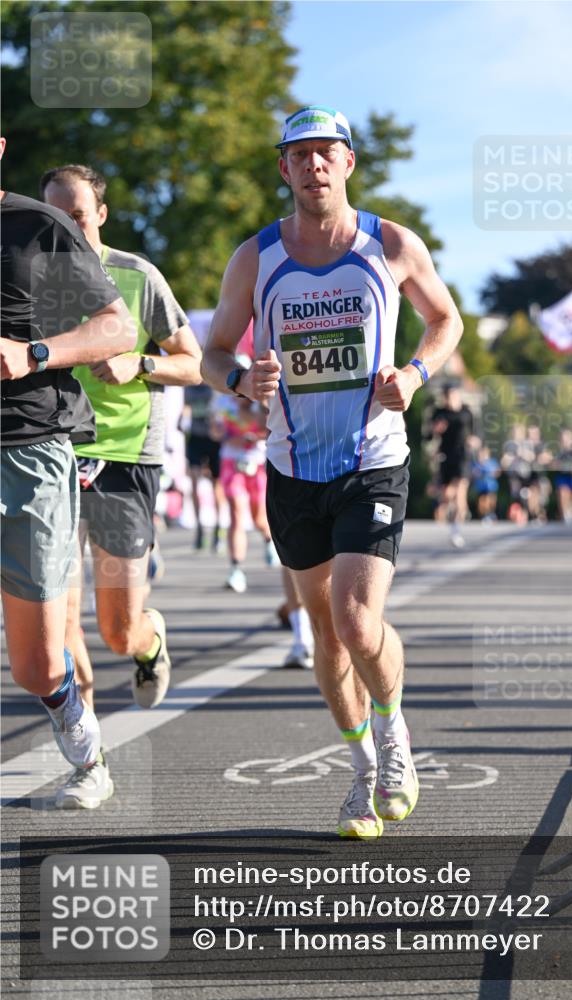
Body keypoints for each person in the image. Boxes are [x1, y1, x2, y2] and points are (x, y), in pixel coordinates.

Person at [202, 106, 463, 838]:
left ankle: (393, 738)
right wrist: (237, 383)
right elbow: (215, 350)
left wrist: (414, 374)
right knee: (324, 632)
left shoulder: (392, 244)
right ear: (283, 168)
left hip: (372, 459)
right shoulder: (255, 258)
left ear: (348, 163)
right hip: (290, 467)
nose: (315, 164)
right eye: (300, 154)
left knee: (356, 618)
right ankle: (356, 775)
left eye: (328, 152)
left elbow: (446, 320)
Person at [41, 164, 201, 809]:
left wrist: (141, 362)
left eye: (77, 215)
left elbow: (195, 364)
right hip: (49, 454)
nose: (66, 227)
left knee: (116, 630)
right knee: (59, 624)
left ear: (99, 216)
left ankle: (150, 639)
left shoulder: (138, 276)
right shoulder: (27, 275)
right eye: (54, 215)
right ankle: (91, 763)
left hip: (125, 460)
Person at [0, 137, 137, 777]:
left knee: (37, 665)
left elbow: (118, 327)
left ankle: (72, 715)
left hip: (26, 448)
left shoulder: (39, 226)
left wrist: (34, 354)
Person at [211, 392, 280, 593]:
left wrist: (252, 436)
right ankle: (236, 569)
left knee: (258, 518)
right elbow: (214, 431)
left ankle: (268, 540)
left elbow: (270, 429)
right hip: (231, 464)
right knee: (236, 514)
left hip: (255, 464)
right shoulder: (222, 403)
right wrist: (225, 435)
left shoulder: (259, 404)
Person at [179, 382, 226, 551]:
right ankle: (199, 527)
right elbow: (186, 406)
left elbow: (221, 410)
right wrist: (181, 420)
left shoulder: (212, 384)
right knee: (193, 482)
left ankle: (218, 528)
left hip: (213, 440)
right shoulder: (189, 386)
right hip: (195, 438)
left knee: (216, 485)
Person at [428, 384, 473, 546]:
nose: (450, 400)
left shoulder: (466, 411)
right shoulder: (439, 413)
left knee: (460, 491)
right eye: (447, 397)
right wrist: (436, 430)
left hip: (462, 455)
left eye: (452, 396)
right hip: (446, 455)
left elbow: (475, 431)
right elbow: (428, 436)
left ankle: (456, 530)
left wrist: (476, 441)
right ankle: (455, 517)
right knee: (447, 494)